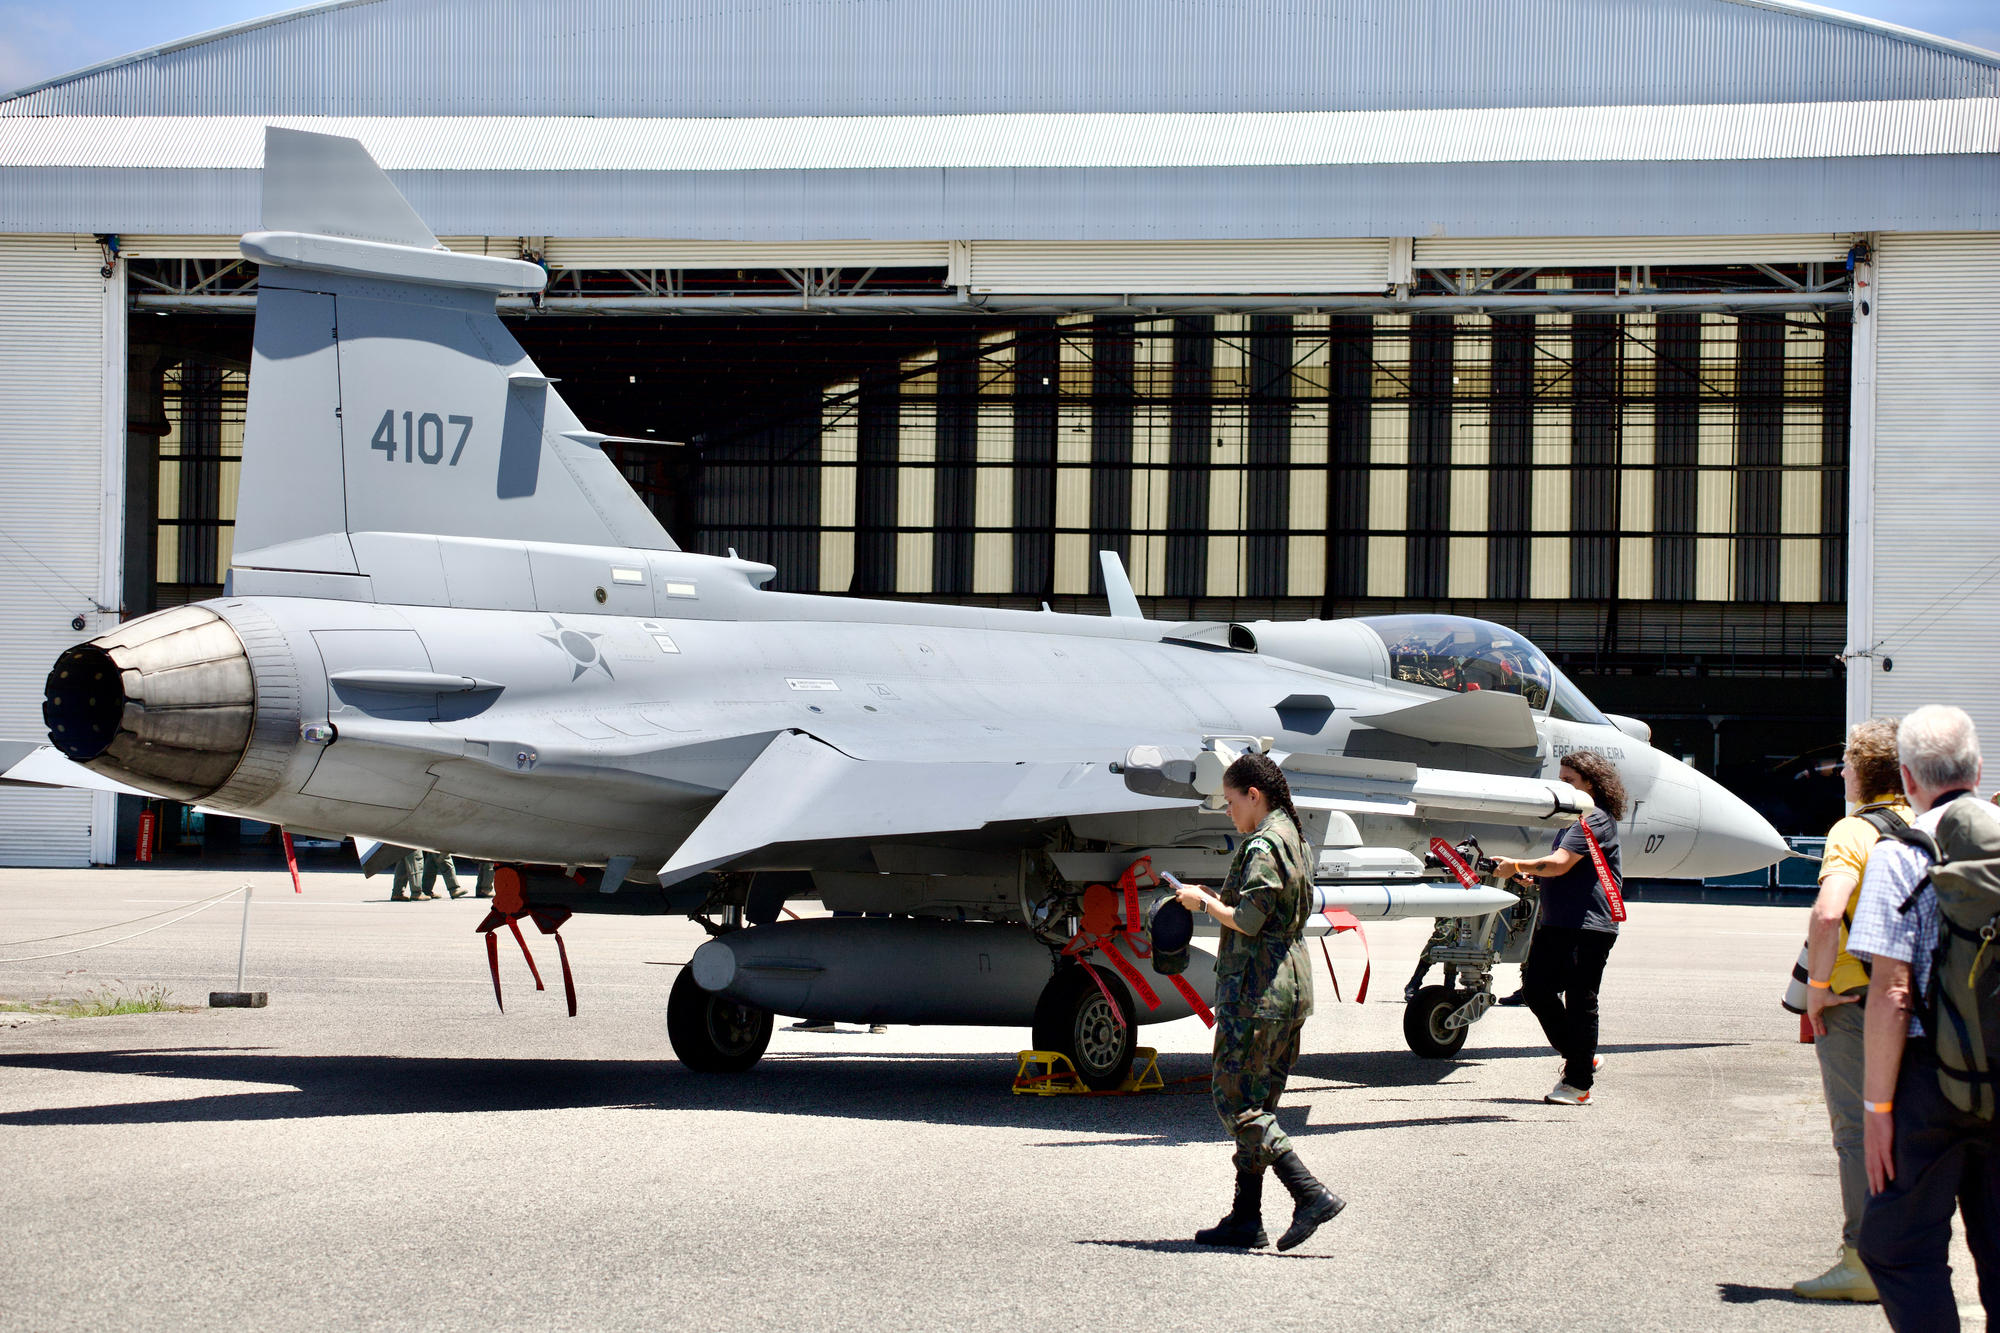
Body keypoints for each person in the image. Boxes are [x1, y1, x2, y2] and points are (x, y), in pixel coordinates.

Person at [1849, 705, 1996, 1332]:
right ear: (1979, 768)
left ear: (1907, 778)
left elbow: (1891, 990)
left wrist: (1877, 1111)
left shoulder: (1899, 854)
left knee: (1899, 1250)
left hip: (1923, 1085)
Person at [1172, 751, 1344, 1251]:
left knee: (1237, 1104)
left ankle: (1309, 1194)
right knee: (1261, 1103)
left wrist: (1202, 904)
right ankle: (1246, 1217)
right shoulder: (1295, 837)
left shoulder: (1264, 843)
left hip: (1256, 990)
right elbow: (1264, 909)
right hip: (1289, 986)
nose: (1227, 812)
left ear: (1254, 795)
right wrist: (1214, 897)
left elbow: (1248, 921)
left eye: (1230, 801)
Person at [1792, 719, 1907, 1302]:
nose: (1842, 772)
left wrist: (1816, 986)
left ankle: (1862, 1259)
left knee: (1857, 1130)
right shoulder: (1926, 824)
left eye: (1847, 763)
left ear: (1862, 771)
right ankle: (1912, 1254)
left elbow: (1827, 913)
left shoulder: (1852, 831)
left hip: (1857, 1002)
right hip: (1922, 1002)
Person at [1493, 750, 1626, 1106]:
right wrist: (1529, 876)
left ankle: (1578, 1083)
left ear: (1591, 785)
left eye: (1569, 781)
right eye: (1560, 779)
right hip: (1563, 922)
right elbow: (1566, 872)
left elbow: (1560, 864)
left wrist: (1517, 864)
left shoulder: (1591, 818)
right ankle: (1581, 1056)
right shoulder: (1576, 823)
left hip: (1588, 926)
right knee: (1536, 988)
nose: (1562, 786)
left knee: (1581, 999)